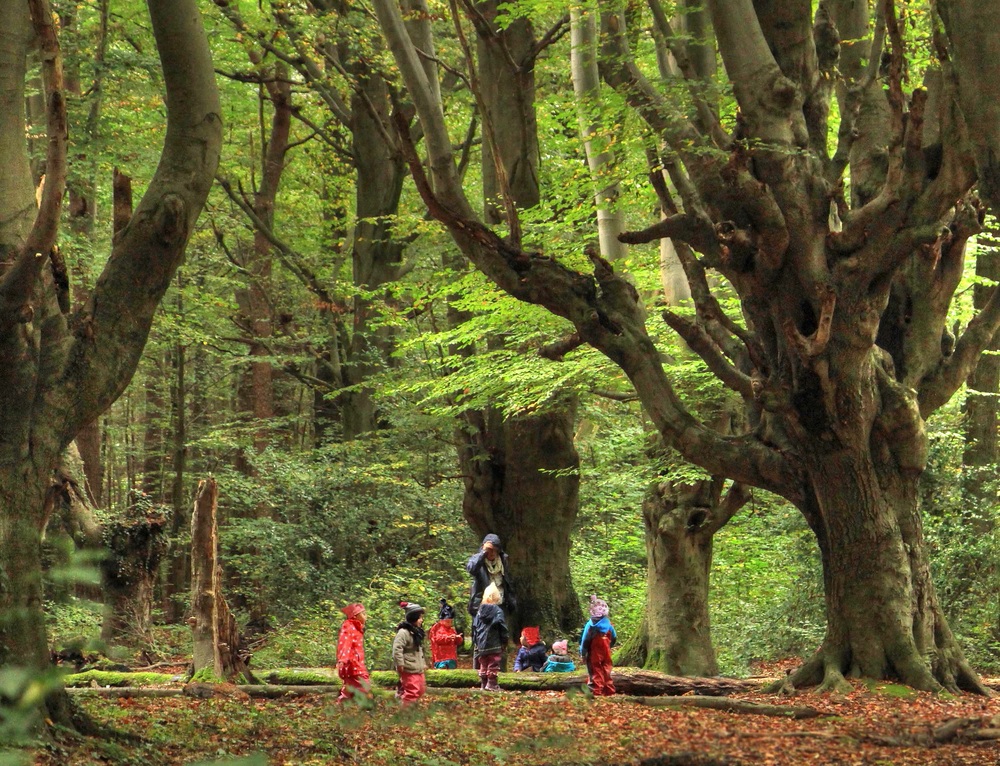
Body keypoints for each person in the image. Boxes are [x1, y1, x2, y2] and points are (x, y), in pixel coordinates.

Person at [466, 534, 516, 618]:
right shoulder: (478, 561)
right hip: (481, 606)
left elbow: (508, 582)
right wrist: (483, 553)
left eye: (495, 550)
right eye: (489, 550)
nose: (492, 553)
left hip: (501, 604)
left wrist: (512, 602)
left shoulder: (503, 561)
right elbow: (471, 569)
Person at [471, 583, 509, 690]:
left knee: (483, 663)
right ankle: (492, 684)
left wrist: (476, 643)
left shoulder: (479, 612)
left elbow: (475, 628)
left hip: (481, 644)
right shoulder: (497, 611)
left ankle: (483, 684)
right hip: (494, 643)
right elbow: (502, 627)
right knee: (493, 663)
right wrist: (504, 640)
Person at [580, 594, 617, 695]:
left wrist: (583, 653)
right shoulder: (609, 624)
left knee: (594, 670)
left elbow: (585, 640)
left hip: (594, 652)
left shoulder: (590, 625)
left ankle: (596, 691)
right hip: (606, 651)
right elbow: (614, 637)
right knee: (607, 669)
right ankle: (609, 690)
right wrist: (609, 646)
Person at [392, 601, 428, 704]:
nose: (421, 620)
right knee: (412, 692)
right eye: (419, 617)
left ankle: (401, 695)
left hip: (418, 668)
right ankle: (406, 713)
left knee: (421, 689)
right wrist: (400, 664)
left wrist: (423, 664)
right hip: (408, 668)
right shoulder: (403, 632)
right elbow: (397, 649)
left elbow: (419, 651)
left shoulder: (416, 632)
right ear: (413, 617)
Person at [335, 602, 370, 703]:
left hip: (355, 663)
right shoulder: (349, 626)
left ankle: (340, 706)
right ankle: (367, 709)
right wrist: (343, 660)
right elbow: (345, 643)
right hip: (353, 664)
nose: (366, 616)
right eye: (363, 614)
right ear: (355, 616)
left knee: (349, 689)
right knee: (365, 686)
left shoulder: (357, 627)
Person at [429, 598, 464, 669]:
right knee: (442, 668)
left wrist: (458, 638)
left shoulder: (452, 630)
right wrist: (448, 638)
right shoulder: (437, 629)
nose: (449, 623)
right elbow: (437, 639)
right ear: (442, 620)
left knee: (451, 668)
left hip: (451, 656)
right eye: (447, 621)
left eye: (451, 622)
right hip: (440, 657)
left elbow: (458, 642)